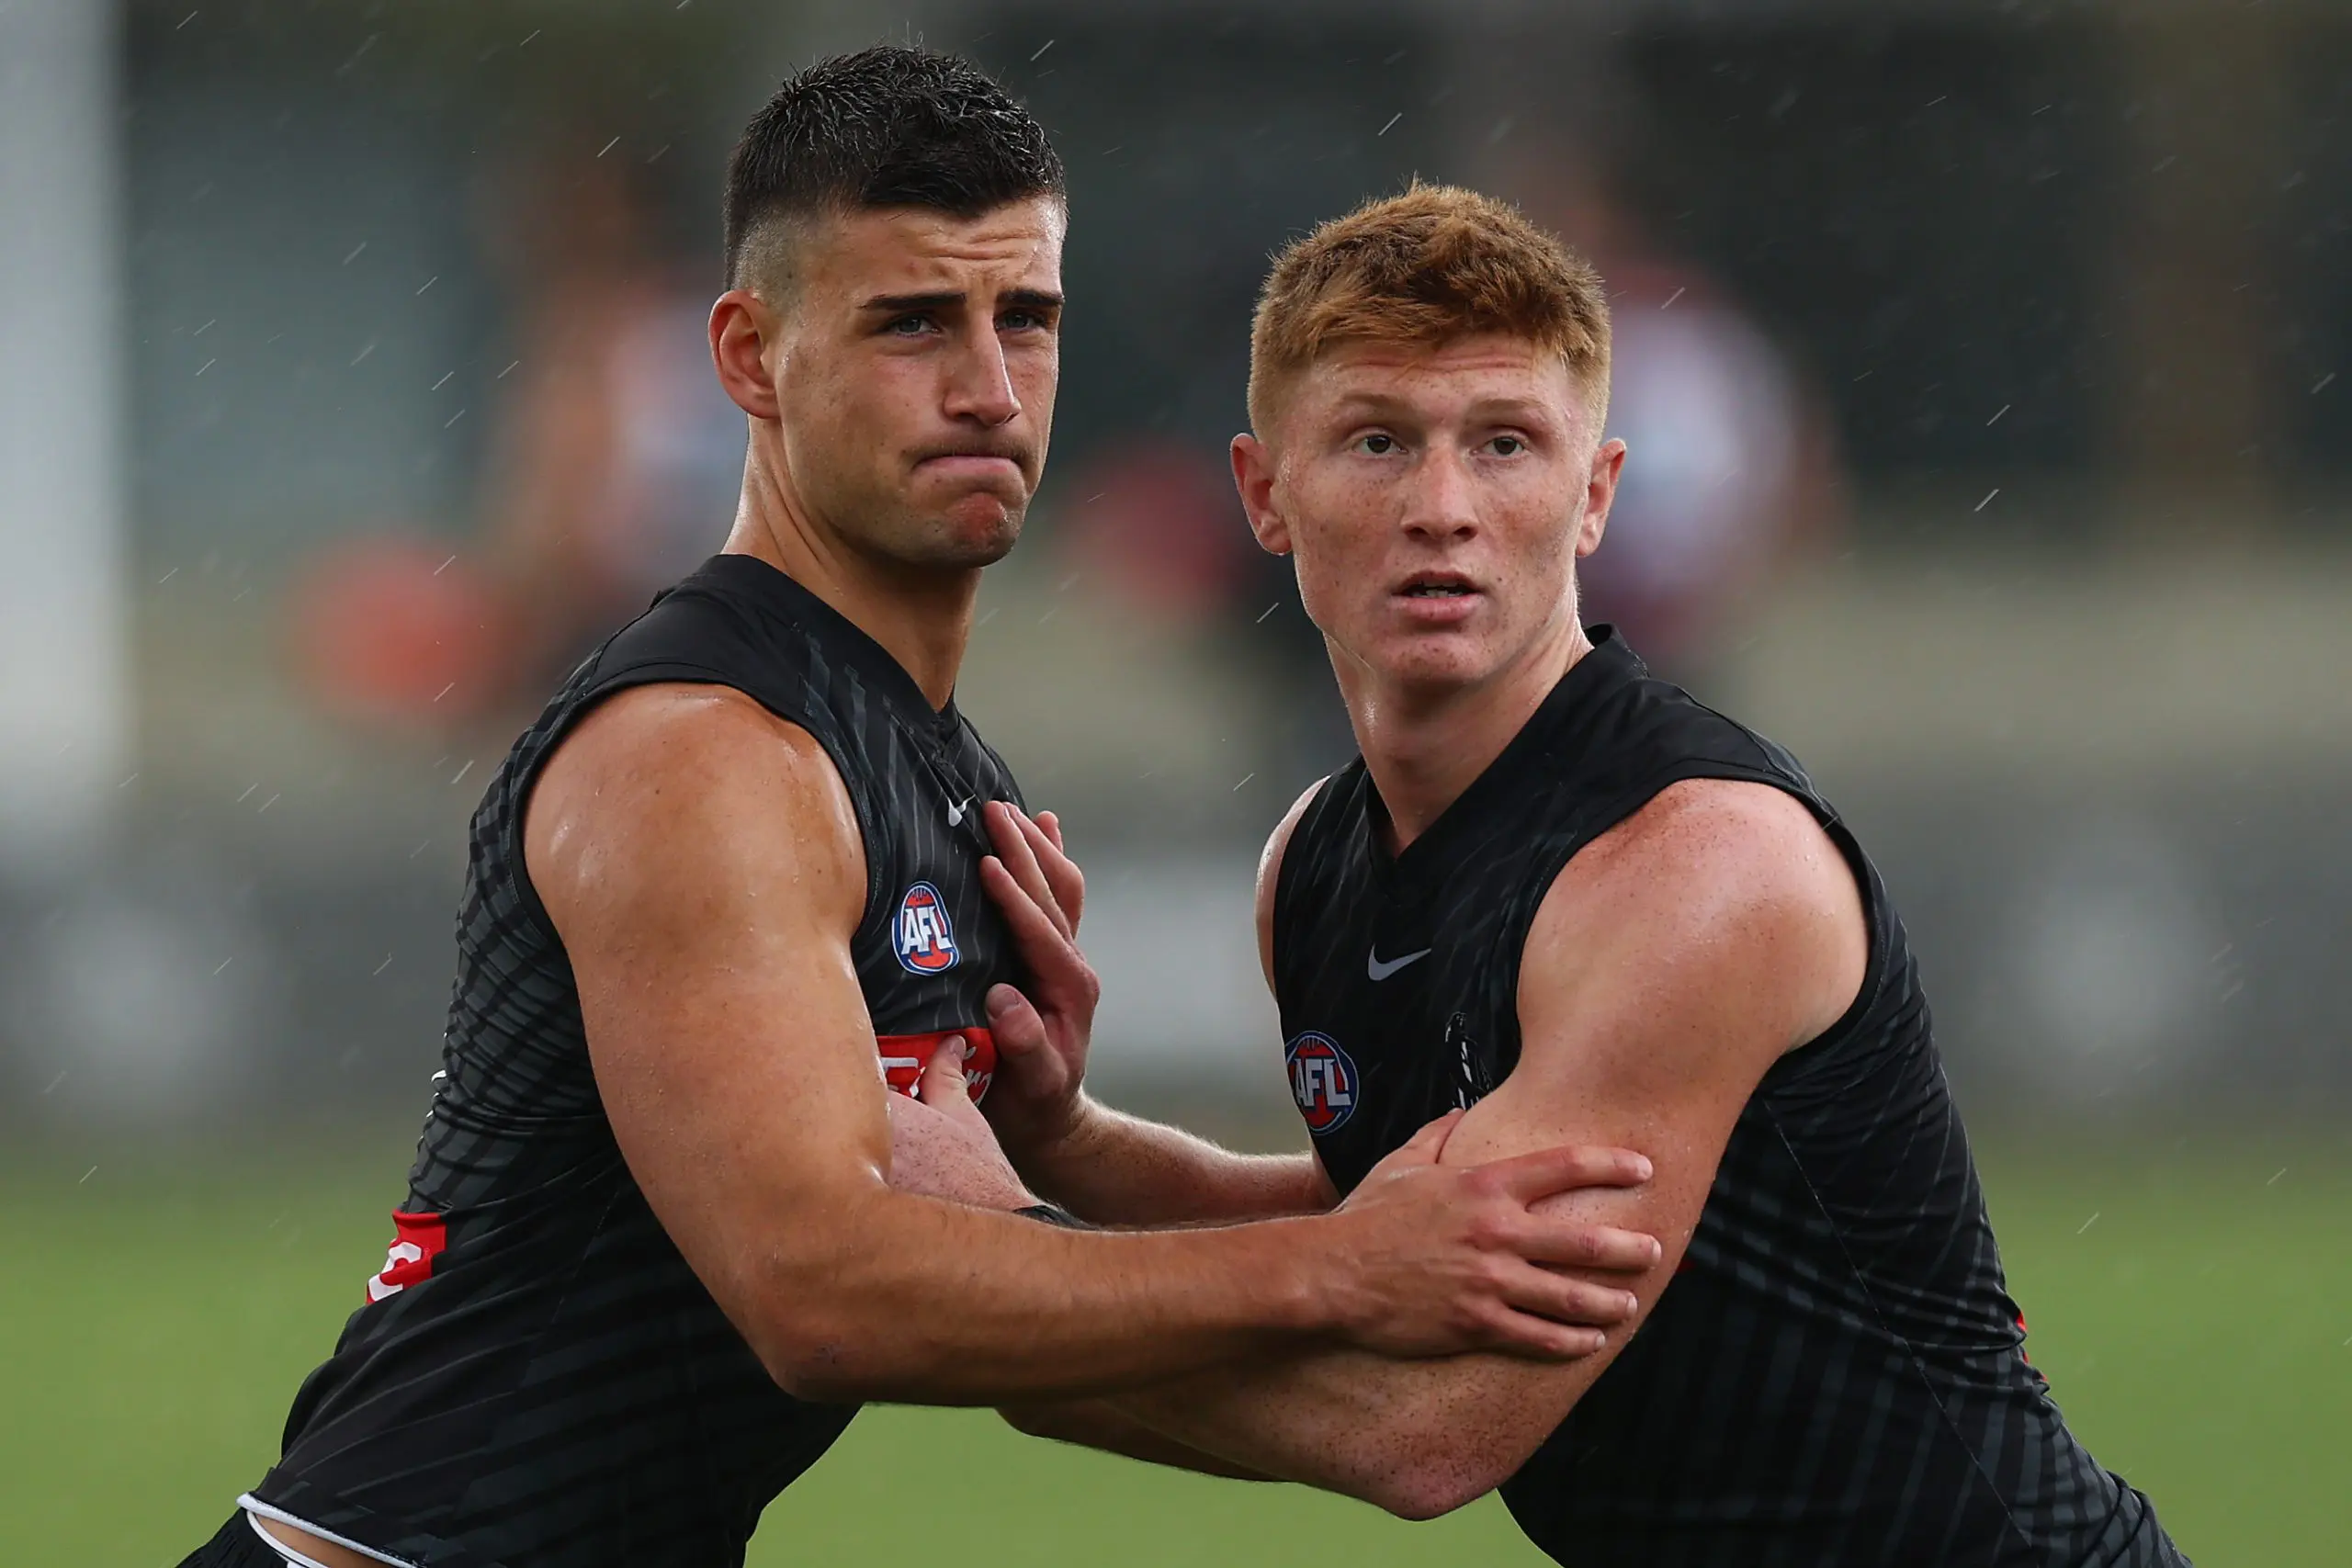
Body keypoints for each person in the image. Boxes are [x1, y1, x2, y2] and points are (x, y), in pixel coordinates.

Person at [175, 57, 1664, 1568]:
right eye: (911, 324)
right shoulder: (702, 750)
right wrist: (1337, 1267)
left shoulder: (939, 769)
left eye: (1026, 317)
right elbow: (821, 1291)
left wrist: (1081, 1147)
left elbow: (1004, 1271)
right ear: (751, 357)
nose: (989, 388)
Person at [933, 186, 2190, 1565]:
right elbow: (1387, 1238)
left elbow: (1422, 1426)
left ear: (1595, 496)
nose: (1444, 508)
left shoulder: (1697, 866)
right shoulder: (1312, 863)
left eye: (1507, 444)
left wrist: (983, 1263)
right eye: (1375, 440)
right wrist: (1065, 1149)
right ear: (1263, 495)